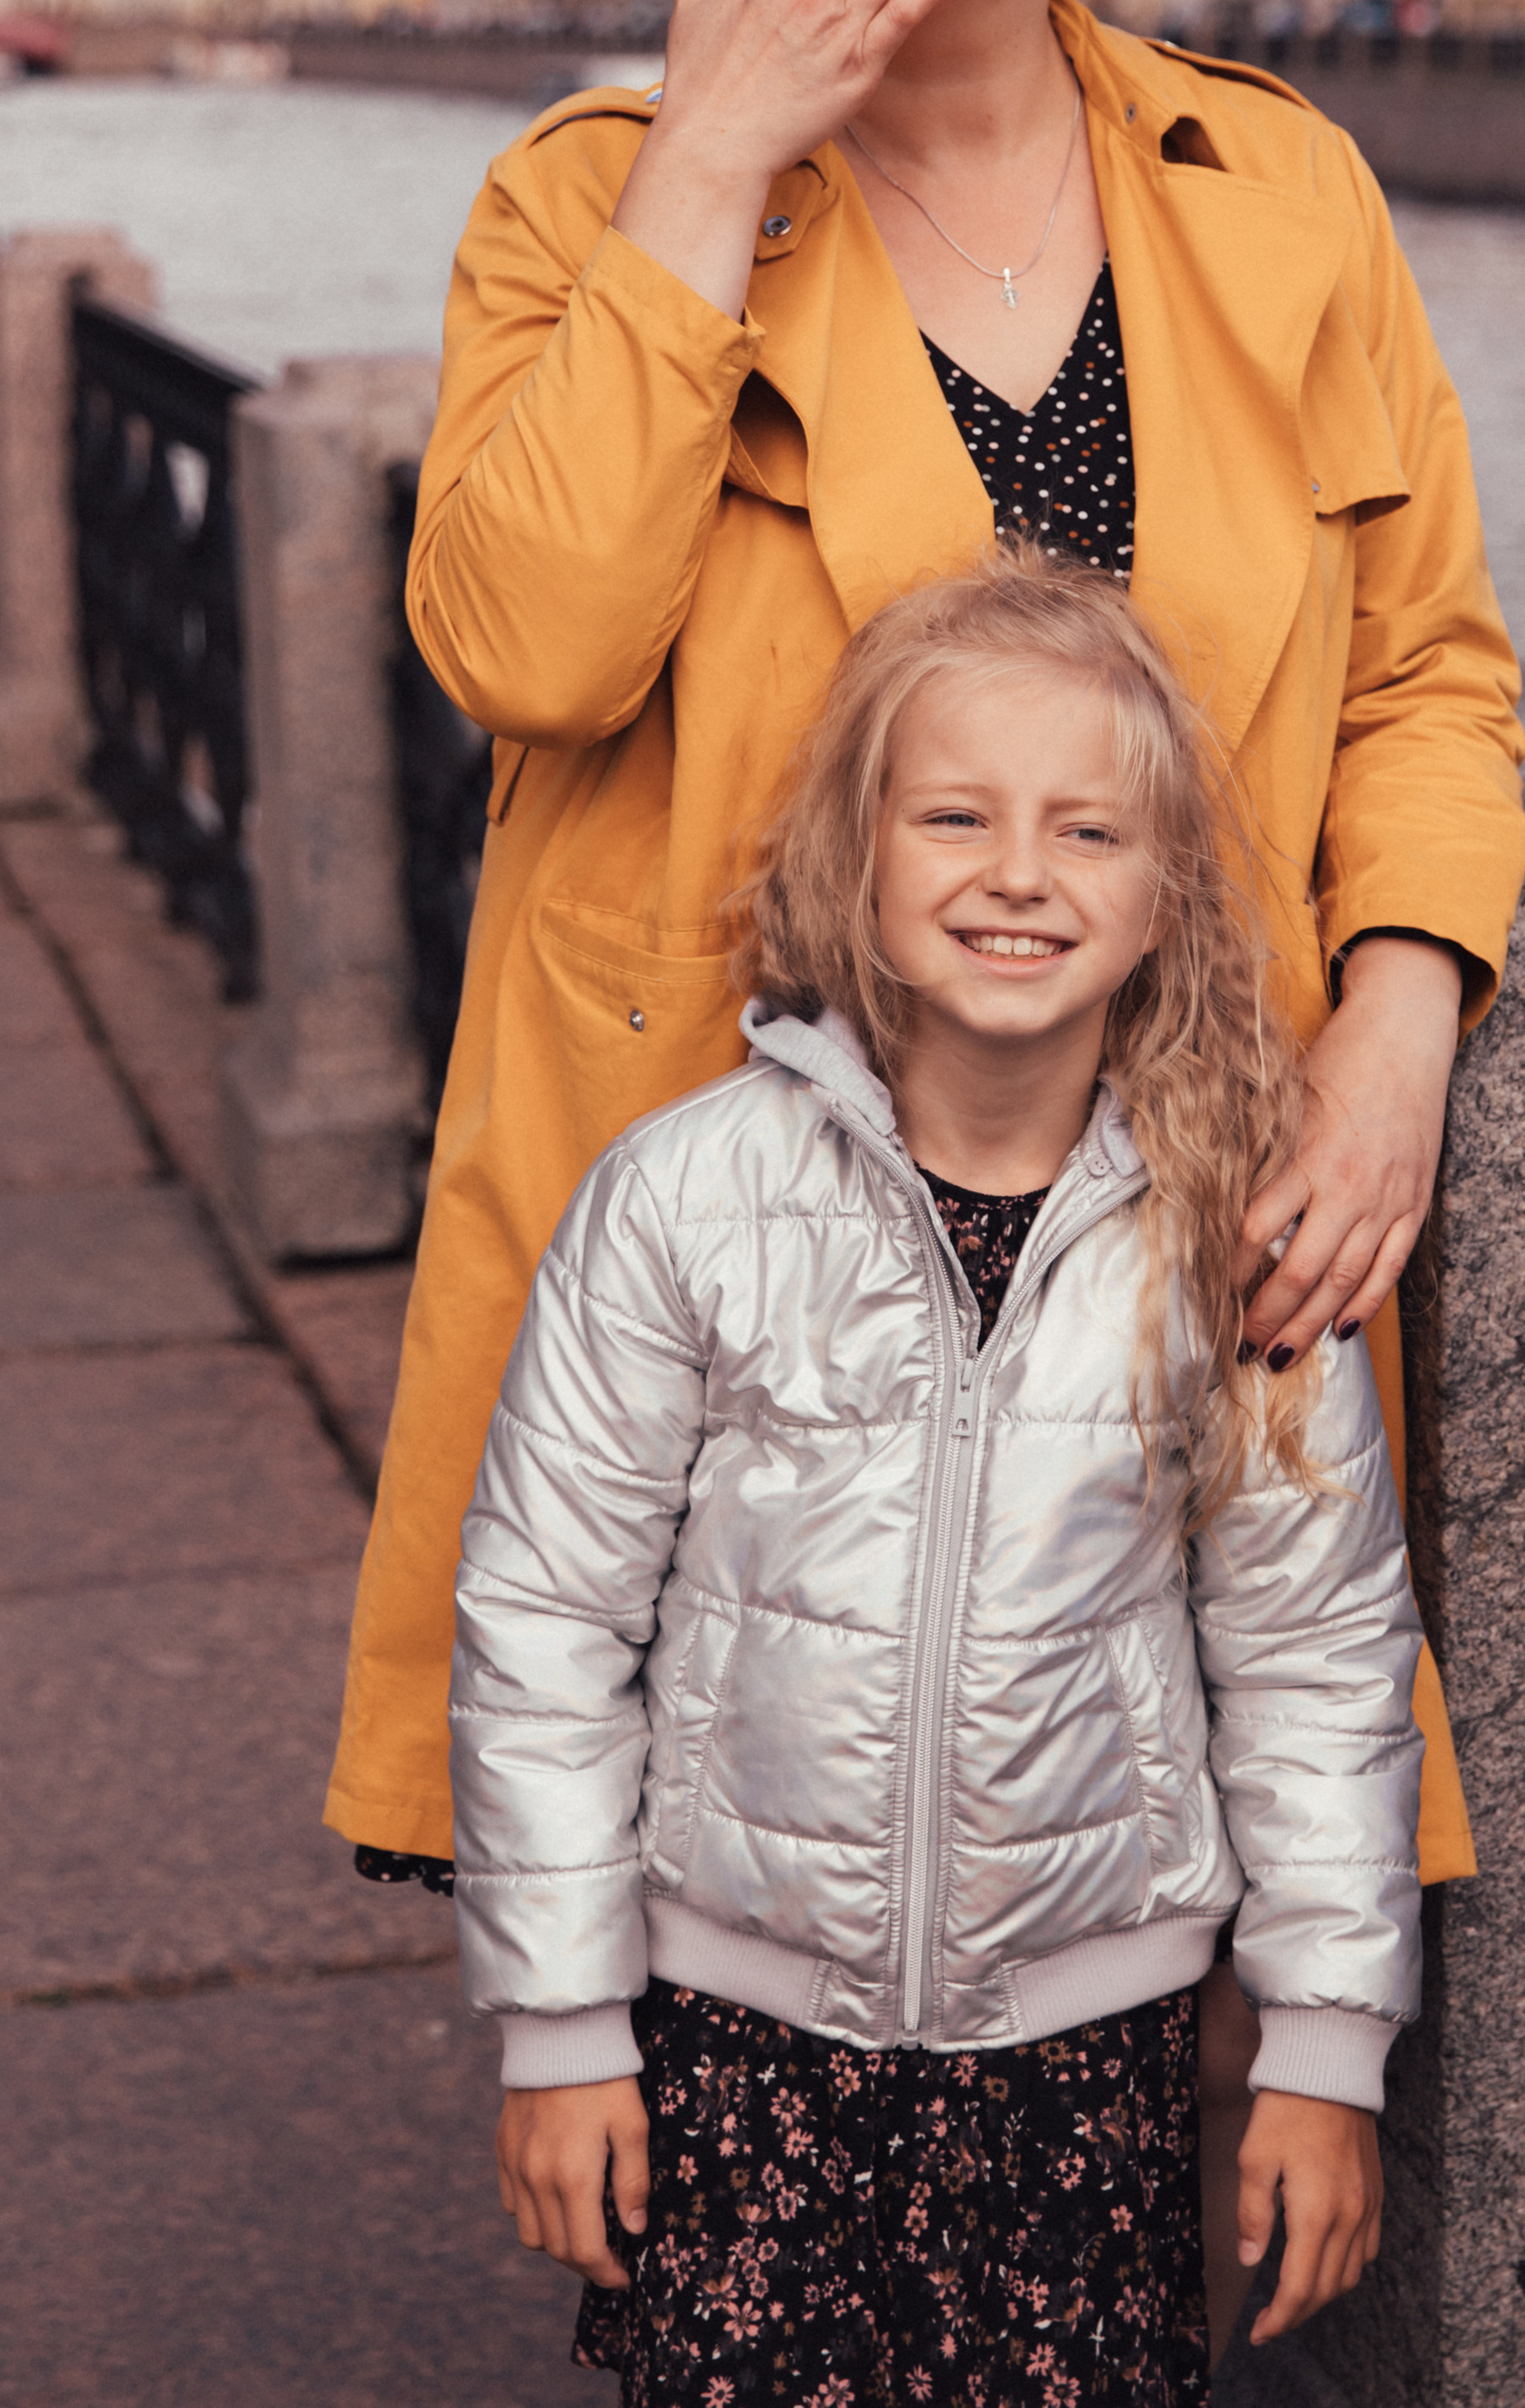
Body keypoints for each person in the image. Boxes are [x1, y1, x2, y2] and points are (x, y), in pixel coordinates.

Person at [329, 0, 1525, 2274]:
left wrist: (1400, 1021)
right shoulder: (603, 191)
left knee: (1140, 1930)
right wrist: (719, 159)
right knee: (740, 1948)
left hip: (1174, 1197)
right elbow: (517, 644)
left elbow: (1435, 681)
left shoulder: (1278, 187)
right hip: (742, 1204)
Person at [456, 552, 1425, 2399]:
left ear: (1160, 901)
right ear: (858, 857)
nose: (1015, 873)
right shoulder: (678, 1205)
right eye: (954, 816)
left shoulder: (1229, 1236)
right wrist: (561, 2021)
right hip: (738, 2041)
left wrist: (1318, 2051)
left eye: (1085, 832)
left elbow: (1313, 1665)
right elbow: (545, 1623)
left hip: (1084, 2063)